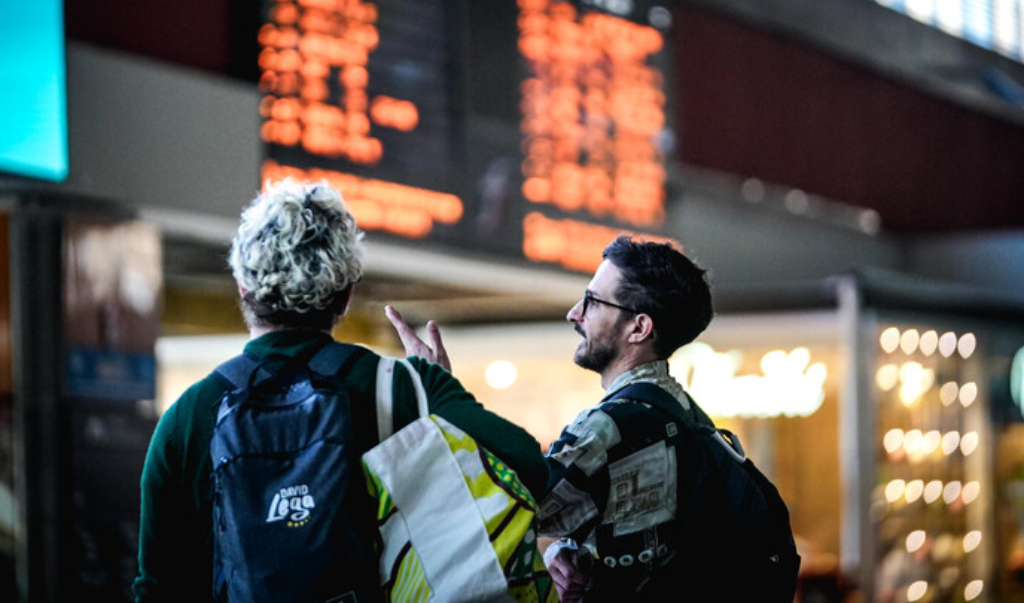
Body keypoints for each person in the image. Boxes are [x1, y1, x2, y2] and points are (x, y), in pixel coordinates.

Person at [132, 179, 548, 601]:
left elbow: (157, 586)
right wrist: (439, 401)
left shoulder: (188, 418)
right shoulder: (403, 390)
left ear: (242, 285)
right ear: (346, 294)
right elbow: (530, 467)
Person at [388, 235, 720, 601]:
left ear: (639, 328)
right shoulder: (688, 414)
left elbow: (507, 504)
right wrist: (571, 551)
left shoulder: (610, 429)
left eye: (592, 301)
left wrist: (439, 393)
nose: (574, 313)